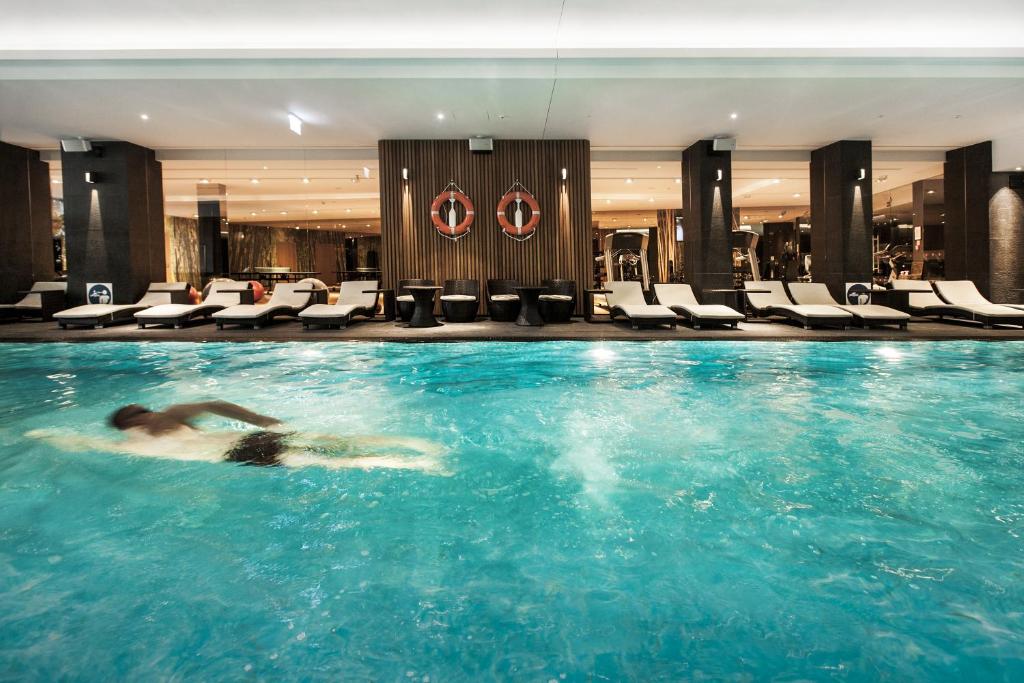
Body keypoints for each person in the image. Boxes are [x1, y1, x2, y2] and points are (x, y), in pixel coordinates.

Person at [27, 400, 445, 473]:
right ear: (138, 414)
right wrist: (261, 419)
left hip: (232, 461)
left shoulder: (128, 443)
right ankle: (415, 446)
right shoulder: (160, 420)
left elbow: (81, 443)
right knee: (330, 441)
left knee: (327, 459)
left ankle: (413, 461)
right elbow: (212, 404)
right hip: (237, 444)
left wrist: (43, 433)